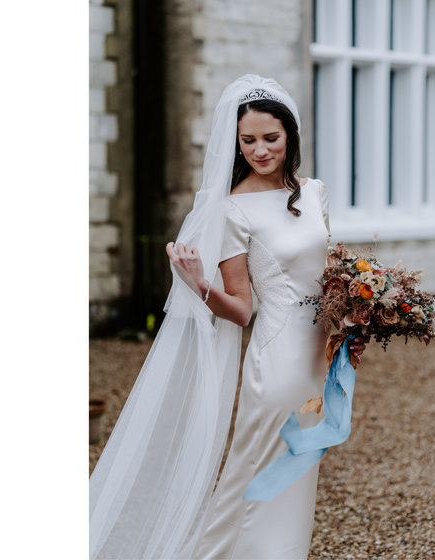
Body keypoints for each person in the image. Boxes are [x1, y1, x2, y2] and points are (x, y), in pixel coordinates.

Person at [88, 75, 364, 560]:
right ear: (236, 144)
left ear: (290, 137)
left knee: (301, 468)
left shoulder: (314, 193)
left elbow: (329, 275)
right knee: (260, 468)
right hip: (278, 357)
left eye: (271, 138)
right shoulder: (235, 209)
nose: (260, 150)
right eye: (249, 141)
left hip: (321, 355)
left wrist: (360, 309)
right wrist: (199, 283)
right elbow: (240, 310)